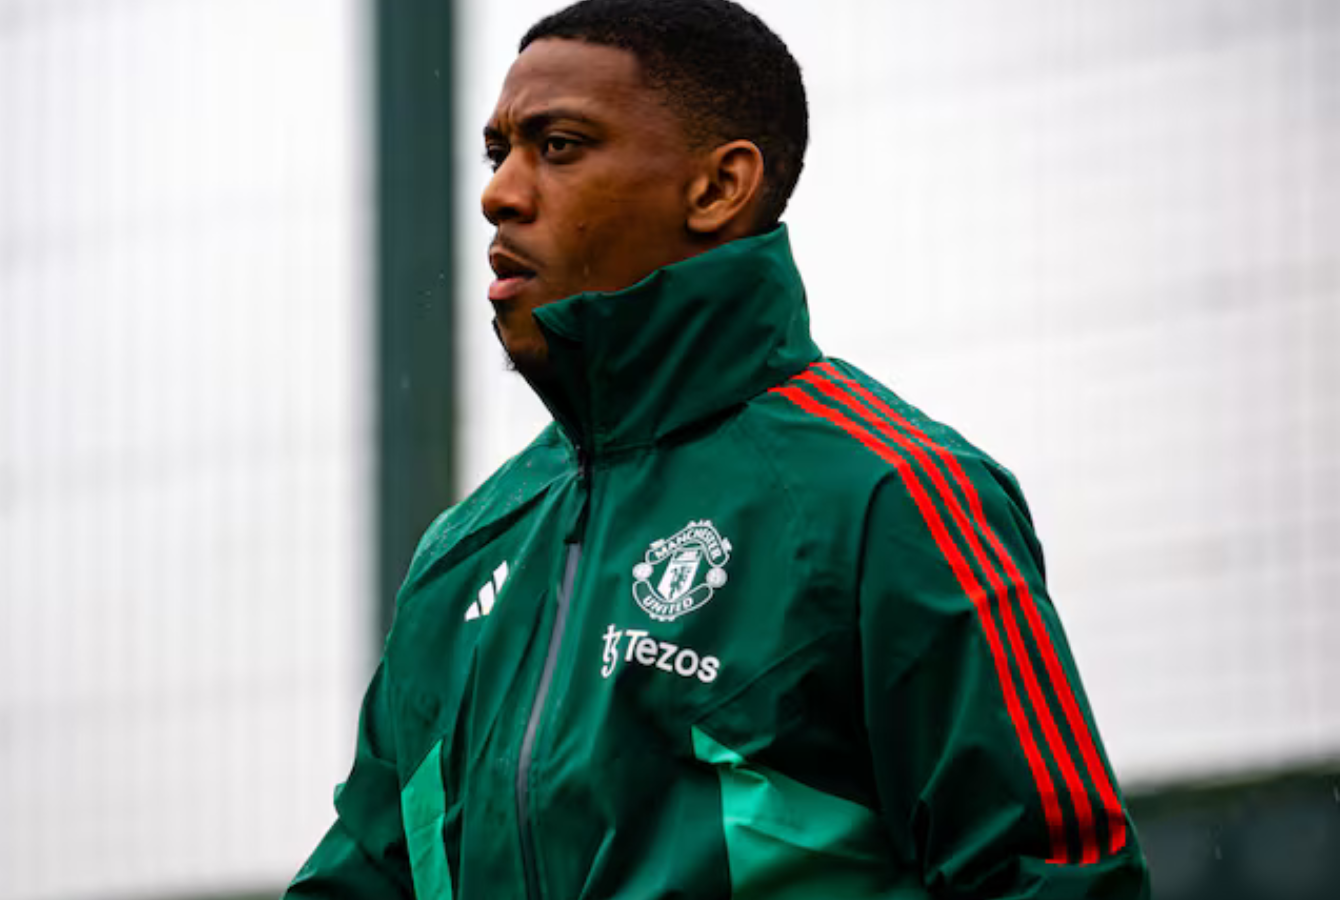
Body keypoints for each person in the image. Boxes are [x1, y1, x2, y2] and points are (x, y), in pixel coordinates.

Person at [287, 0, 1151, 897]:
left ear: (717, 188)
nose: (499, 193)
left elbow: (1053, 877)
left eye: (560, 146)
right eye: (498, 152)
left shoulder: (889, 497)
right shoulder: (461, 556)